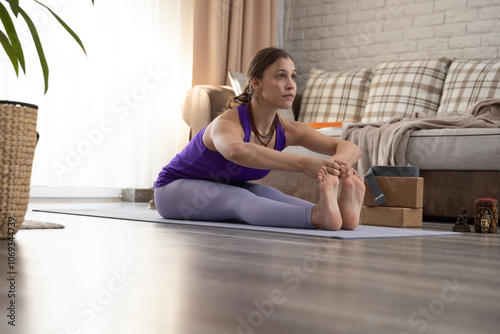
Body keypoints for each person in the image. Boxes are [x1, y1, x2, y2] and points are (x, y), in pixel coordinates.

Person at [154, 47, 365, 230]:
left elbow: (350, 146)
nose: (291, 84)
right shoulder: (227, 123)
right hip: (174, 190)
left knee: (269, 194)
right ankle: (318, 218)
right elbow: (238, 151)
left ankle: (335, 215)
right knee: (240, 199)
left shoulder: (287, 129)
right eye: (281, 76)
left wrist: (338, 167)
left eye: (293, 76)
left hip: (225, 186)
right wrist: (304, 163)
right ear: (257, 83)